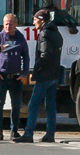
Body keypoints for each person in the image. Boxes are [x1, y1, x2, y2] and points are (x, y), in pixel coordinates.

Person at [17, 9, 63, 143]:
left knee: (33, 105)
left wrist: (36, 68)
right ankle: (50, 134)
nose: (33, 22)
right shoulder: (56, 32)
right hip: (55, 74)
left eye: (35, 19)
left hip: (44, 75)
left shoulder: (44, 33)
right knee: (50, 106)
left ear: (42, 20)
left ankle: (28, 133)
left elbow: (45, 54)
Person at [0, 14, 29, 141]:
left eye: (11, 24)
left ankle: (14, 131)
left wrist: (24, 74)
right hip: (1, 77)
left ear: (16, 24)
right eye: (6, 24)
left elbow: (26, 57)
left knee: (16, 105)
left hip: (16, 77)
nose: (8, 26)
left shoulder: (20, 38)